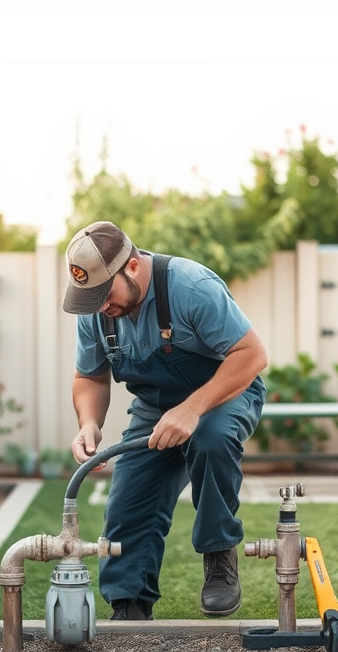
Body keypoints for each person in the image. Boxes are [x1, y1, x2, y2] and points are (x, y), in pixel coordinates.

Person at [62, 221, 268, 620]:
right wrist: (89, 422)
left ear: (133, 267)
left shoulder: (190, 287)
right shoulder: (96, 311)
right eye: (92, 297)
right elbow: (89, 376)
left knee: (211, 439)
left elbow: (251, 355)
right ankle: (130, 603)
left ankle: (219, 556)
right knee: (128, 498)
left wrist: (192, 409)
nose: (102, 305)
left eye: (106, 293)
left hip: (223, 394)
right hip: (154, 408)